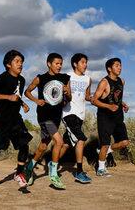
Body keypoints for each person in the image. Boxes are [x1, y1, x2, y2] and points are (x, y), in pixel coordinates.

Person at [0, 49, 32, 193]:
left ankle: (19, 173)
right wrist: (8, 97)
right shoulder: (0, 78)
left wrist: (23, 103)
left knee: (24, 145)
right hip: (1, 120)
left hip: (15, 119)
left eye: (22, 62)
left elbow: (16, 94)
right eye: (17, 61)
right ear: (8, 64)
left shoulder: (21, 80)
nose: (20, 64)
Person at [24, 53, 71, 189]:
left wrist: (68, 93)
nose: (59, 66)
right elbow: (27, 91)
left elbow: (69, 98)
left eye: (61, 63)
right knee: (59, 141)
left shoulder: (64, 78)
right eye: (57, 63)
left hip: (56, 116)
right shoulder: (41, 78)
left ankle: (29, 168)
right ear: (49, 64)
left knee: (43, 146)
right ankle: (54, 174)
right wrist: (36, 101)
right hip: (44, 116)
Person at [92, 58, 130, 176]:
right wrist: (108, 106)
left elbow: (117, 96)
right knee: (105, 143)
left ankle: (105, 152)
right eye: (117, 65)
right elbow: (94, 100)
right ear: (109, 68)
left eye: (120, 65)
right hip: (105, 117)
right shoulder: (104, 82)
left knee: (124, 142)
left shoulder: (121, 81)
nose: (120, 68)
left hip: (118, 117)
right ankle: (101, 169)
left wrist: (122, 103)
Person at [58, 53, 92, 184]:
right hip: (68, 113)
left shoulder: (88, 79)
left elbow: (87, 96)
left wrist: (93, 98)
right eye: (83, 62)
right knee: (81, 139)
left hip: (81, 114)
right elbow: (62, 96)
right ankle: (79, 171)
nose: (85, 65)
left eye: (86, 62)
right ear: (75, 64)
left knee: (67, 143)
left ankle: (52, 164)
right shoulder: (67, 77)